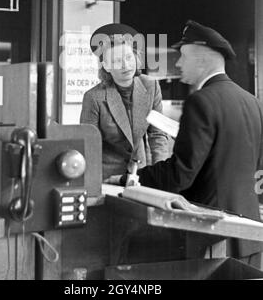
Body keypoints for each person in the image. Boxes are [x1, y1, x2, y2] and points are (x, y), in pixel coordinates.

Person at [129, 20, 263, 267]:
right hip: (250, 233)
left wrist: (136, 180)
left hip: (212, 235)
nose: (178, 64)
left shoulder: (201, 102)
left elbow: (181, 175)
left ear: (201, 60)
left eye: (182, 56)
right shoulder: (252, 102)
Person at [80, 23, 172, 182]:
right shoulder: (93, 97)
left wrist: (160, 174)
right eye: (116, 61)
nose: (126, 65)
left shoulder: (151, 86)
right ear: (107, 67)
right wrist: (93, 181)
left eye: (129, 58)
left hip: (140, 174)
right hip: (107, 177)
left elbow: (157, 135)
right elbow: (88, 144)